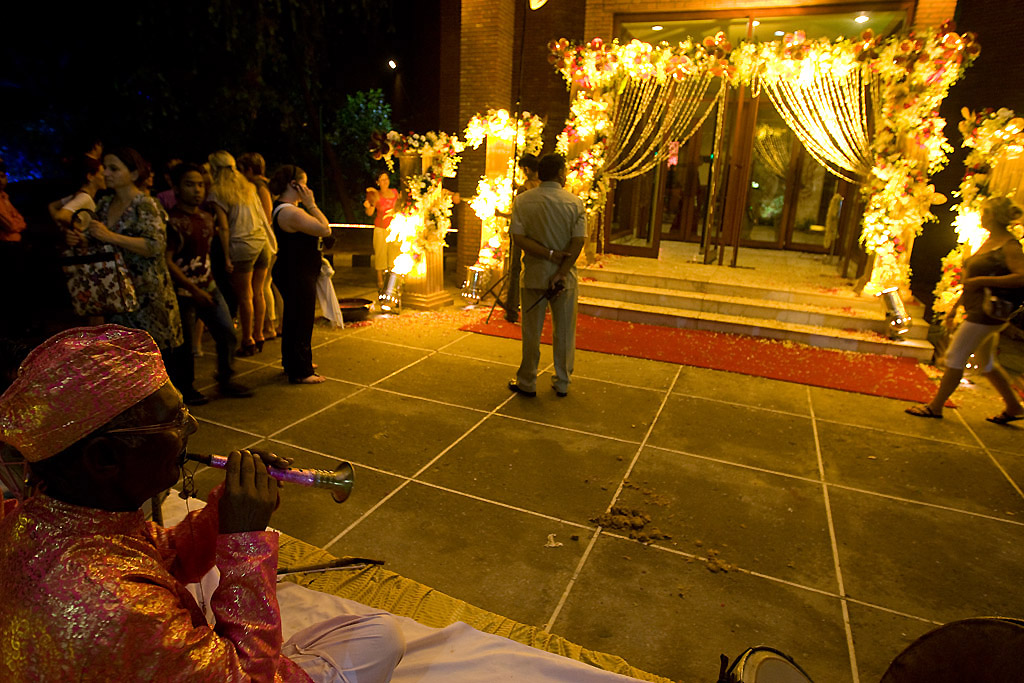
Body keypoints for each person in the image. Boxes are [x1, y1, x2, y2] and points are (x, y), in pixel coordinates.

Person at [0, 324, 405, 681]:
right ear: (104, 458)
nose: (191, 426)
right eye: (172, 419)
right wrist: (246, 543)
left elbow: (166, 558)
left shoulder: (55, 512)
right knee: (381, 637)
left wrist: (222, 512)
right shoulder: (114, 603)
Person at [906, 195, 1024, 424]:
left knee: (955, 356)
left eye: (985, 212)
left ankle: (935, 406)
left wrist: (981, 281)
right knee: (986, 363)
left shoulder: (1009, 246)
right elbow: (970, 282)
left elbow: (1021, 276)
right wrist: (955, 308)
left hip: (987, 312)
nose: (981, 216)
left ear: (994, 216)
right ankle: (1013, 406)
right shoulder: (990, 241)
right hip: (977, 308)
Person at [165, 163, 254, 405]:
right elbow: (167, 260)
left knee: (227, 332)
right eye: (190, 185)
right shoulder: (172, 222)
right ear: (176, 188)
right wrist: (193, 289)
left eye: (200, 185)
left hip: (209, 287)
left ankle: (226, 378)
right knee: (183, 345)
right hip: (183, 291)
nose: (197, 190)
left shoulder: (206, 217)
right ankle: (185, 388)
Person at [86, 147, 183, 355]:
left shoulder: (146, 204)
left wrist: (110, 236)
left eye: (114, 169)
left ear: (134, 174)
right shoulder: (104, 204)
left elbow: (155, 246)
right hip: (116, 296)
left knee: (153, 359)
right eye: (105, 167)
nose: (106, 173)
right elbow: (96, 241)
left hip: (147, 296)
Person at [507, 153, 587, 398]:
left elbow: (518, 238)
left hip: (534, 273)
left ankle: (527, 380)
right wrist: (561, 270)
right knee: (564, 332)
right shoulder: (574, 203)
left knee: (531, 331)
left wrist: (548, 254)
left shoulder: (523, 201)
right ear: (561, 173)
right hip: (564, 278)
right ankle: (562, 381)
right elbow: (578, 241)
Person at [270, 165, 331, 384]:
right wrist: (311, 205)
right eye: (304, 183)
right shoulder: (290, 212)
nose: (308, 188)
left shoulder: (286, 208)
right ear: (294, 185)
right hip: (296, 272)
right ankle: (301, 370)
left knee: (293, 318)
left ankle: (294, 361)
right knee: (301, 319)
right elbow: (324, 229)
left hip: (294, 270)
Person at [207, 150, 271, 357]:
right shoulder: (248, 186)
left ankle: (247, 339)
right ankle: (259, 334)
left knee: (245, 296)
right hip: (261, 242)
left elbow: (224, 228)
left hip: (241, 244)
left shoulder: (217, 191)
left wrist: (226, 256)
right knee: (258, 291)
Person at [238, 152, 280, 341]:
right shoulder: (267, 184)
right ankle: (270, 324)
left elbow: (267, 216)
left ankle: (268, 325)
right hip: (269, 240)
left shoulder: (258, 186)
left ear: (249, 170)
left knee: (263, 286)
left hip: (265, 241)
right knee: (266, 285)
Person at [501, 153, 541, 323]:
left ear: (526, 169)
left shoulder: (524, 189)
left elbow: (517, 214)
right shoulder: (542, 186)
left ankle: (512, 308)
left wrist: (500, 214)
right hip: (538, 232)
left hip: (521, 233)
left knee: (515, 268)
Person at [49, 155, 107, 234]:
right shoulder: (84, 197)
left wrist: (63, 227)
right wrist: (80, 229)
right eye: (102, 174)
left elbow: (52, 206)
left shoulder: (78, 195)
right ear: (90, 177)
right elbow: (61, 215)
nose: (105, 177)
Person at [364, 170, 401, 290]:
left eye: (386, 179)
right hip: (381, 229)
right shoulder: (374, 194)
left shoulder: (395, 192)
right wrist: (369, 205)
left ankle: (392, 280)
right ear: (377, 182)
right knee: (380, 254)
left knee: (394, 254)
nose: (385, 182)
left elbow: (399, 207)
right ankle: (380, 279)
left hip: (394, 228)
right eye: (382, 180)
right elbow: (369, 213)